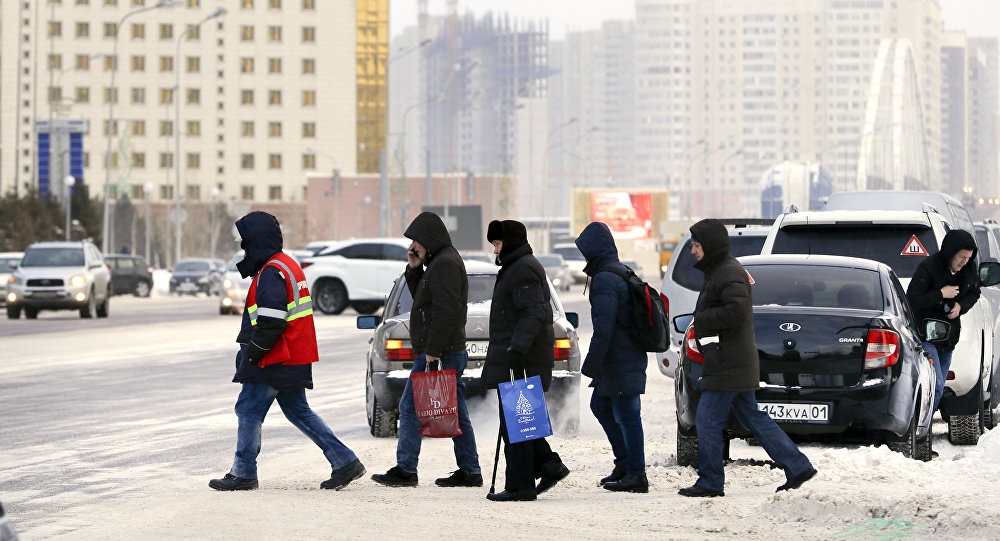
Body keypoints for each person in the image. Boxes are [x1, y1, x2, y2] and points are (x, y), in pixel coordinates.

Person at [209, 211, 365, 491]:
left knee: (248, 409)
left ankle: (244, 472)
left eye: (244, 241)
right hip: (292, 355)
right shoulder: (286, 265)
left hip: (275, 357)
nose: (242, 247)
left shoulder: (271, 272)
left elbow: (271, 322)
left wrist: (253, 353)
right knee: (298, 410)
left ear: (255, 241)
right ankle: (344, 460)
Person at [678, 218, 816, 498]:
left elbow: (737, 311)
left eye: (696, 245)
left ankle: (711, 481)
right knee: (752, 417)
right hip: (730, 361)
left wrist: (701, 319)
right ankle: (797, 465)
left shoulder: (728, 272)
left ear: (710, 246)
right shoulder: (720, 271)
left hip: (728, 363)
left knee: (706, 421)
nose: (693, 251)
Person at [371, 212, 482, 488]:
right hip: (445, 349)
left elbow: (448, 310)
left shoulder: (444, 263)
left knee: (409, 407)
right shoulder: (438, 261)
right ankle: (470, 470)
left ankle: (406, 470)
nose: (413, 246)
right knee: (454, 411)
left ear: (429, 238)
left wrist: (433, 348)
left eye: (416, 241)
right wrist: (414, 268)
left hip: (441, 351)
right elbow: (425, 299)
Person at [482, 220, 570, 502]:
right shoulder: (517, 267)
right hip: (517, 357)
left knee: (516, 423)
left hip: (522, 359)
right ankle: (548, 465)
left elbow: (532, 313)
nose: (494, 250)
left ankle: (521, 486)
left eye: (497, 244)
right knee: (520, 421)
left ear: (509, 242)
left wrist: (517, 348)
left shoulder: (523, 269)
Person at [574, 221, 649, 493]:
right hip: (623, 357)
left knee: (627, 414)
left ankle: (637, 474)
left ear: (594, 250)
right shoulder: (619, 271)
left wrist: (591, 366)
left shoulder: (606, 278)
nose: (583, 256)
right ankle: (625, 463)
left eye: (585, 250)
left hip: (620, 359)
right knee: (602, 407)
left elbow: (603, 329)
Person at [906, 229, 981, 414]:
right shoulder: (929, 268)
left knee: (937, 389)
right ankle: (918, 431)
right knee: (936, 385)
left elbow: (974, 292)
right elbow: (912, 300)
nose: (964, 262)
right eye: (961, 257)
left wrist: (960, 306)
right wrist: (941, 294)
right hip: (926, 336)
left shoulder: (968, 269)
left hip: (948, 338)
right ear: (950, 252)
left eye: (968, 258)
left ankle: (922, 427)